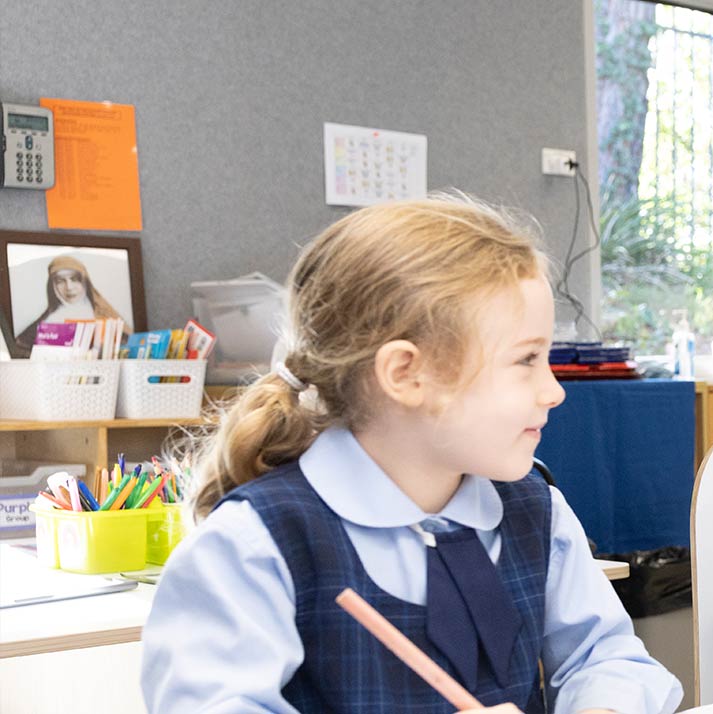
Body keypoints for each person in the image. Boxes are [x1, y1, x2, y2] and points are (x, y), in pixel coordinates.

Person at [141, 194, 683, 713]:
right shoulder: (254, 546)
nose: (555, 390)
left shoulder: (537, 512)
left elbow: (604, 656)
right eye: (526, 361)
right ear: (406, 374)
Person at [10, 254, 130, 358]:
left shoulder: (107, 320)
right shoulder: (41, 325)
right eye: (60, 281)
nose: (69, 287)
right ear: (52, 286)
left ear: (85, 282)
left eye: (74, 279)